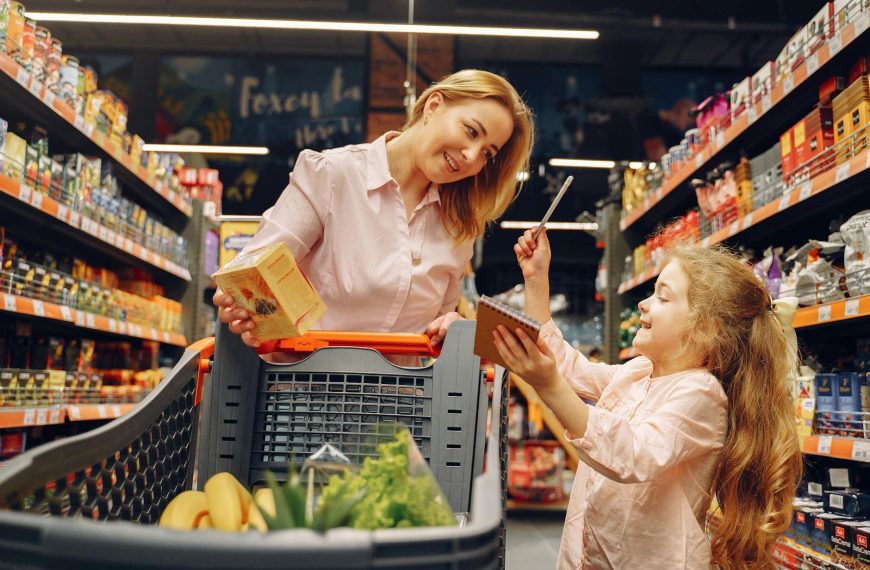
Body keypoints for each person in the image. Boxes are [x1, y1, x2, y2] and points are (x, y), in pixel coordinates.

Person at [493, 232, 802, 568]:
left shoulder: (702, 395)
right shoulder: (639, 372)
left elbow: (632, 454)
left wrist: (549, 384)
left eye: (663, 298)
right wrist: (537, 280)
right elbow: (568, 368)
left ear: (707, 329)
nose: (644, 303)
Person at [213, 69, 534, 348]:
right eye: (471, 131)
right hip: (306, 400)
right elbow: (252, 272)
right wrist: (248, 309)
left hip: (401, 409)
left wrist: (455, 327)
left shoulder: (458, 224)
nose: (472, 156)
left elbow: (440, 325)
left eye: (488, 154)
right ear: (434, 106)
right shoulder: (333, 175)